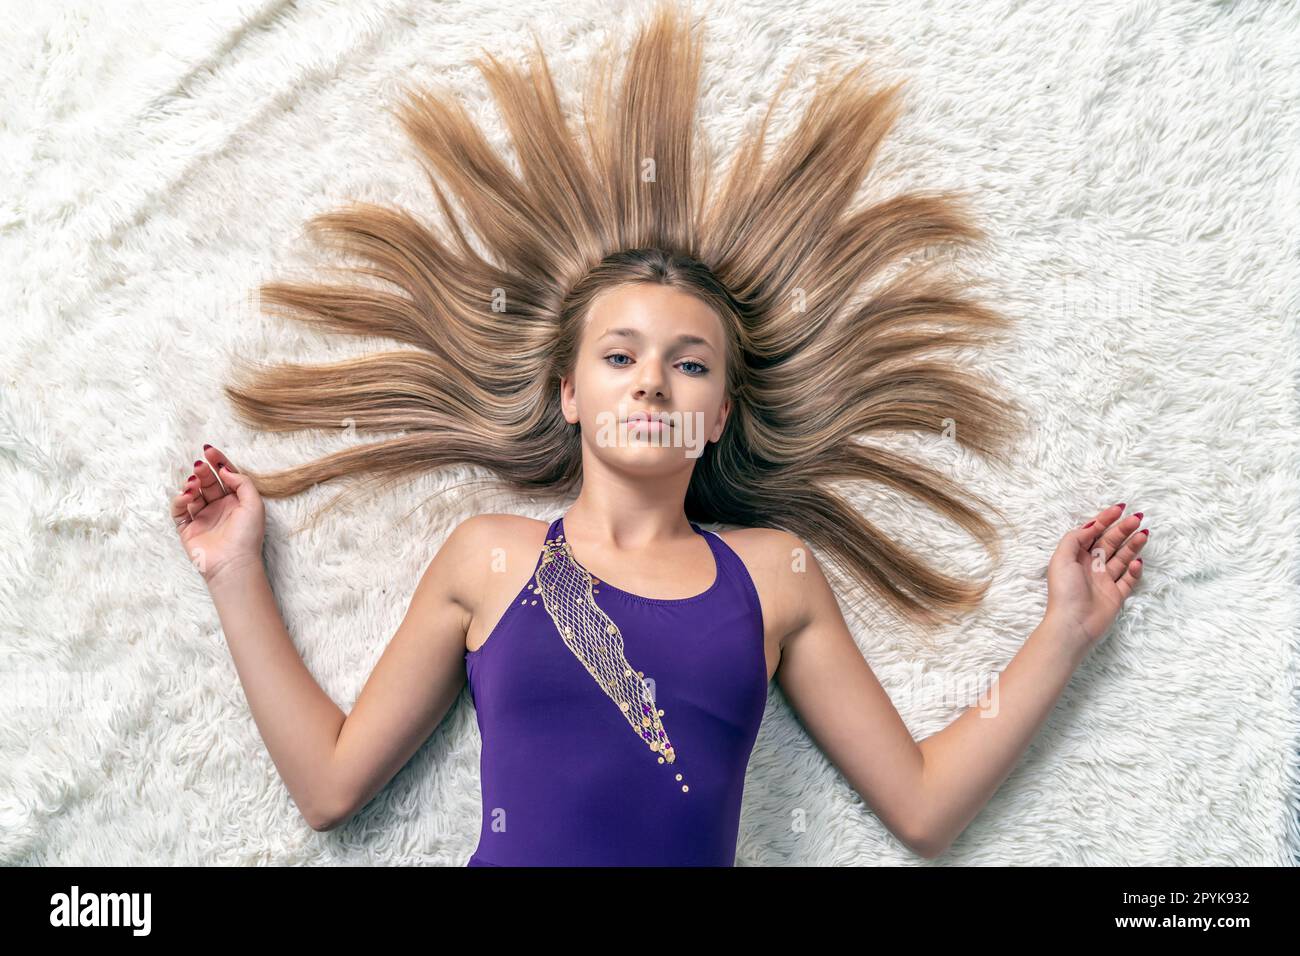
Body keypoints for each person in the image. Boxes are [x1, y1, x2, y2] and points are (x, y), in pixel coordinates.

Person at [168, 0, 1148, 864]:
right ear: (569, 395)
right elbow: (329, 787)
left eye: (687, 362)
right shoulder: (490, 557)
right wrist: (235, 568)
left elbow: (925, 808)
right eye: (619, 356)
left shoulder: (775, 576)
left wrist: (1063, 629)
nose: (650, 378)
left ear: (717, 413)